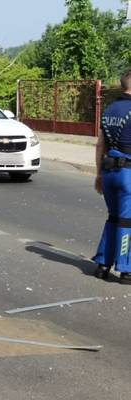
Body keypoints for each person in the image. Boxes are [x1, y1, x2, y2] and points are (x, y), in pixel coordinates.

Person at [93, 69, 131, 281]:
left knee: (114, 218)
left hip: (109, 172)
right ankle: (126, 268)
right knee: (127, 221)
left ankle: (102, 264)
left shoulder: (109, 109)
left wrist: (99, 175)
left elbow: (100, 145)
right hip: (128, 173)